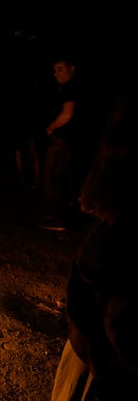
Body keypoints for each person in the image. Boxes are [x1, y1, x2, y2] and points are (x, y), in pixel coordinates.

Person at [51, 88, 138, 400]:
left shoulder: (110, 236)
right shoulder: (116, 241)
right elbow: (121, 327)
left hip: (94, 358)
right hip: (101, 364)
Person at [40, 57, 94, 231]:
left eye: (60, 69)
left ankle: (62, 217)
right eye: (55, 70)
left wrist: (50, 128)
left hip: (64, 140)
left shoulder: (72, 88)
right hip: (69, 140)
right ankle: (60, 214)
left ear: (72, 68)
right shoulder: (69, 87)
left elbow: (67, 114)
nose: (56, 73)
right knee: (61, 177)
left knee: (52, 178)